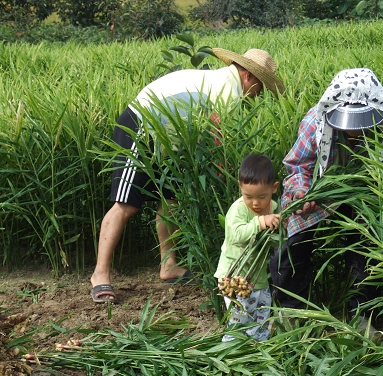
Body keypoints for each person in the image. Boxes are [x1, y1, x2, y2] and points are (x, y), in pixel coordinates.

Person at [90, 48, 285, 303]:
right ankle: (99, 274)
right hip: (143, 124)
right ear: (248, 76)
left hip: (171, 139)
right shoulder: (228, 90)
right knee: (126, 204)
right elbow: (218, 144)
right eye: (260, 88)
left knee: (170, 201)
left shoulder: (224, 83)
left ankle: (168, 266)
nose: (258, 96)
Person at [269, 68, 383, 318]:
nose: (355, 131)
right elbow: (298, 167)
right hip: (319, 195)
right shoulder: (315, 123)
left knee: (367, 245)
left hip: (366, 198)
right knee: (293, 243)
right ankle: (290, 313)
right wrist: (301, 192)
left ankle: (364, 316)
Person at [215, 154, 280, 341]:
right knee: (240, 316)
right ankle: (232, 346)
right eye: (248, 196)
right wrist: (260, 222)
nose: (255, 203)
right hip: (234, 276)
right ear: (240, 187)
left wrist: (279, 227)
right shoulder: (238, 209)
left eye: (262, 196)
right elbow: (236, 236)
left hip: (257, 277)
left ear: (274, 188)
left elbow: (274, 241)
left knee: (263, 309)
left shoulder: (275, 208)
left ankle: (259, 345)